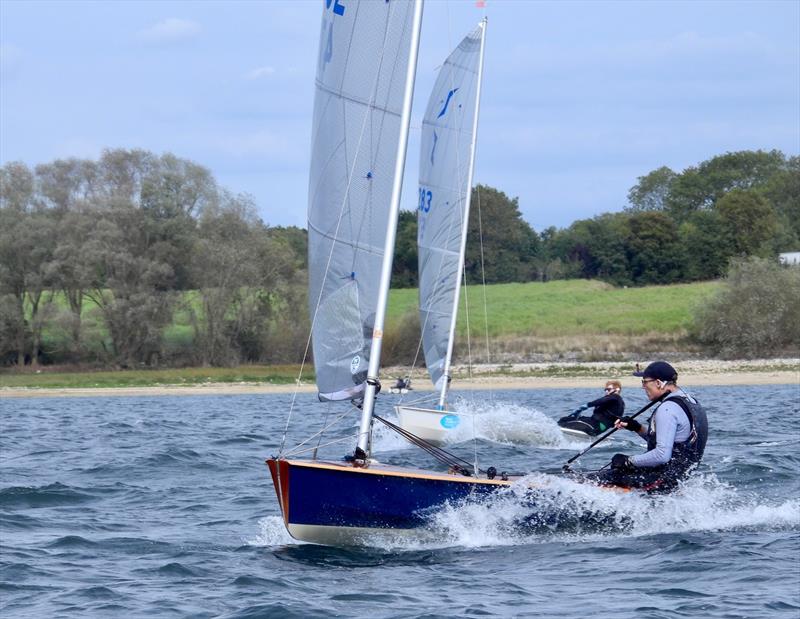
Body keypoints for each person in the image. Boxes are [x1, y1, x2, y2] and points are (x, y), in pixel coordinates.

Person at [593, 361, 708, 493]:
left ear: (658, 383)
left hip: (661, 480)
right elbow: (675, 445)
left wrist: (628, 461)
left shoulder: (667, 409)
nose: (643, 387)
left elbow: (662, 455)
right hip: (677, 478)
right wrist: (636, 427)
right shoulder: (690, 401)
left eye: (645, 382)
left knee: (595, 480)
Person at [558, 380, 625, 437]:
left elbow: (600, 401)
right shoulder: (616, 402)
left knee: (563, 424)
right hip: (593, 423)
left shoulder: (615, 397)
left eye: (609, 389)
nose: (606, 391)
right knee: (565, 419)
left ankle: (556, 434)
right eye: (605, 390)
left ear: (617, 390)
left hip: (595, 427)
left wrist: (587, 405)